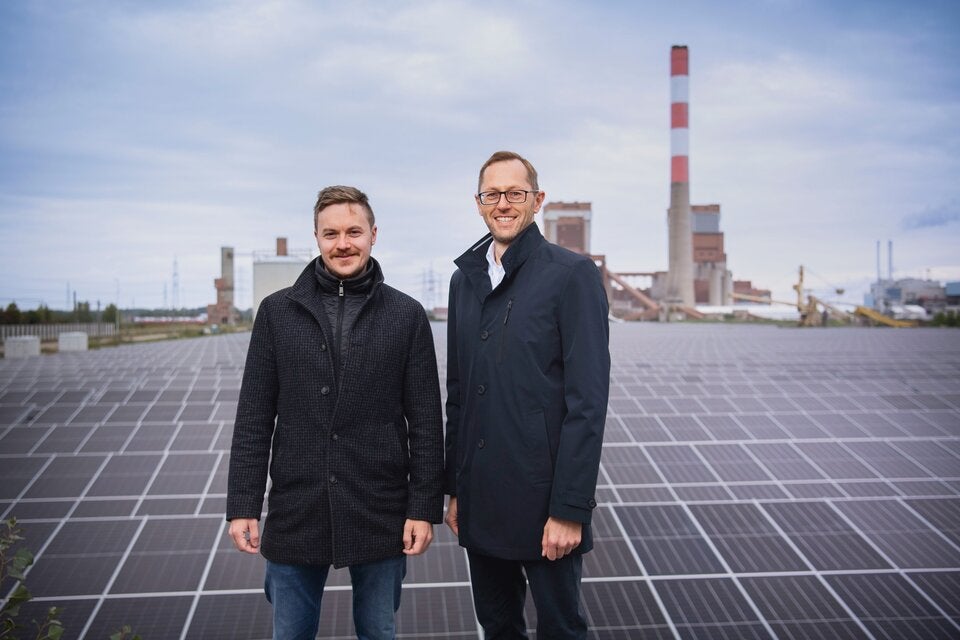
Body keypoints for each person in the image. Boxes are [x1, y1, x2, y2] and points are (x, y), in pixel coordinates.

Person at [227, 185, 444, 640]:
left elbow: (425, 422)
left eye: (353, 231)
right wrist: (243, 504)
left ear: (373, 234)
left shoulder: (406, 315)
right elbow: (253, 417)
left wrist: (423, 507)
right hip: (296, 508)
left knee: (378, 632)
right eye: (331, 234)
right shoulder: (276, 312)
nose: (342, 243)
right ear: (317, 237)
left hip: (380, 509)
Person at [444, 151, 610, 638]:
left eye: (514, 193)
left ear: (537, 201)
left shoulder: (571, 275)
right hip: (482, 501)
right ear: (478, 204)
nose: (503, 204)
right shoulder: (463, 282)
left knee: (561, 628)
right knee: (497, 627)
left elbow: (587, 403)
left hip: (545, 507)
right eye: (492, 194)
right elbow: (459, 396)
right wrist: (456, 490)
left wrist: (569, 509)